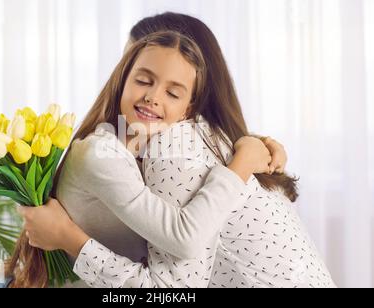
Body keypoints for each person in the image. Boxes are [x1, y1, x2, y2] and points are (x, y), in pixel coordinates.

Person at [18, 28, 334, 287]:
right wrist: (243, 160)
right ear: (122, 79)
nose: (153, 96)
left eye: (173, 92)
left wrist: (252, 146)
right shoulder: (109, 153)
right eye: (144, 80)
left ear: (189, 108)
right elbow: (183, 246)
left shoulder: (169, 150)